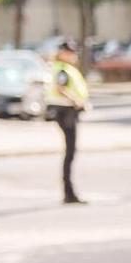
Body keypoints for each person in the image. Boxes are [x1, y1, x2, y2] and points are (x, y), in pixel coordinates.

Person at [47, 41, 91, 205]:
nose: (74, 55)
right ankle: (68, 192)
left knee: (71, 151)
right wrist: (77, 101)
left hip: (66, 111)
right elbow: (61, 88)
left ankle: (69, 191)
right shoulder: (62, 69)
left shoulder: (63, 68)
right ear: (62, 53)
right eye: (70, 52)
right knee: (70, 152)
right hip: (66, 112)